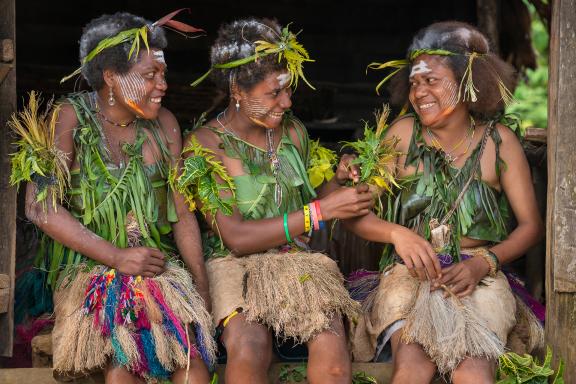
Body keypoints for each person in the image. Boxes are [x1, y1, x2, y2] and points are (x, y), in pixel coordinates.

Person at [10, 12, 215, 383]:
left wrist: (200, 284)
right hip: (89, 271)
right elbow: (40, 208)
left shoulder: (165, 124)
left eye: (162, 74)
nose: (162, 84)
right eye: (149, 75)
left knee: (193, 369)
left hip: (157, 268)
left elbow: (182, 213)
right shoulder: (68, 119)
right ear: (110, 77)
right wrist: (117, 257)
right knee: (123, 366)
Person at [345, 21, 544, 383]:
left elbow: (532, 226)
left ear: (469, 81)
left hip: (478, 277)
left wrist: (485, 262)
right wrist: (396, 235)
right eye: (415, 82)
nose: (420, 92)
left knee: (474, 371)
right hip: (409, 275)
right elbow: (353, 213)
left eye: (432, 81)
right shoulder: (401, 136)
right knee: (413, 365)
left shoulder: (499, 142)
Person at [178, 18, 373, 384]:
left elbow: (310, 204)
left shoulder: (293, 132)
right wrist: (321, 210)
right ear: (238, 89)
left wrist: (338, 183)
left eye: (288, 90)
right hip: (232, 265)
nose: (287, 101)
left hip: (297, 262)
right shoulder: (205, 146)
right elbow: (234, 236)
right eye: (274, 93)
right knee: (250, 348)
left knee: (333, 354)